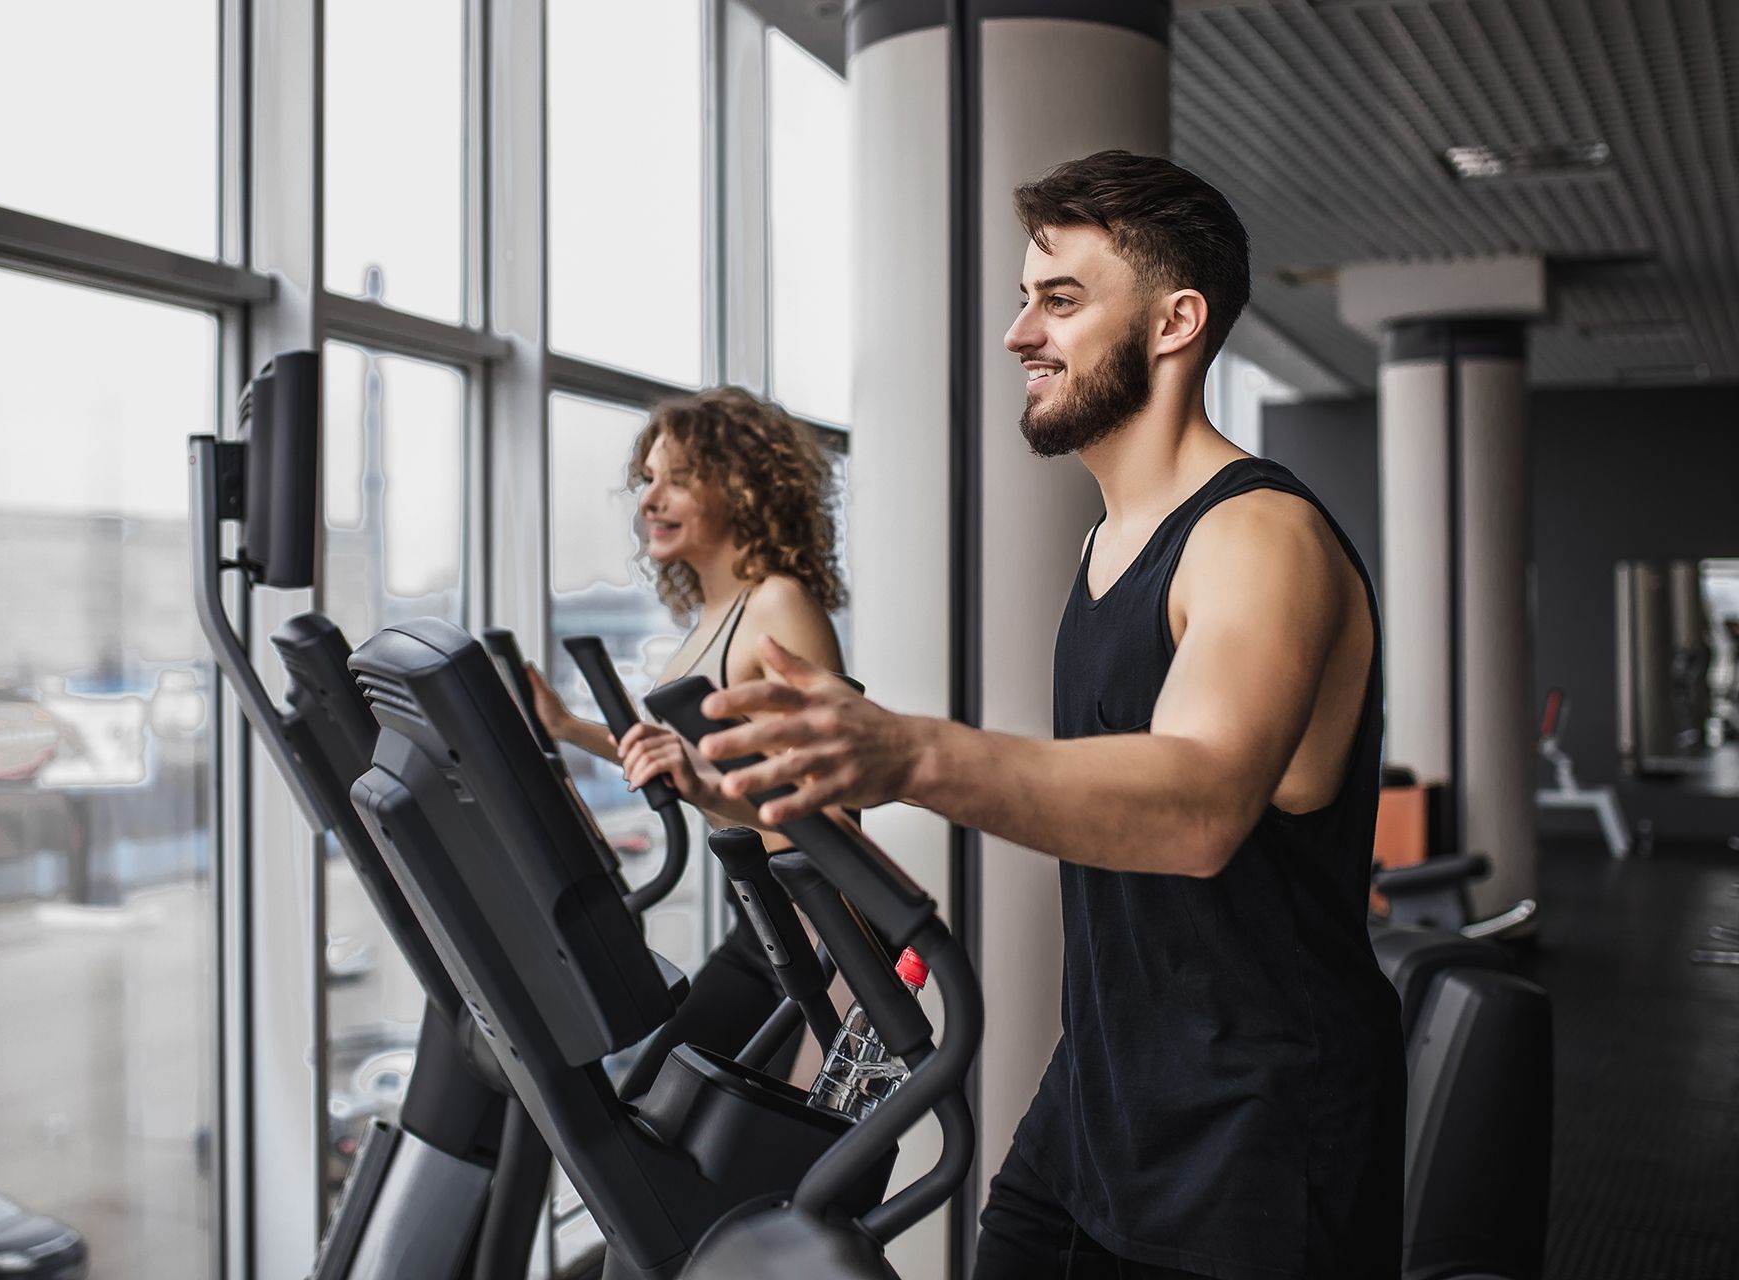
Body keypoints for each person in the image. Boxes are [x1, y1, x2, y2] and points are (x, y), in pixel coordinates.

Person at [686, 152, 1406, 1279]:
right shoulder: (1106, 542)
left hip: (1256, 1127)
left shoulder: (1259, 536)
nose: (1021, 331)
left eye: (1061, 299)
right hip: (1102, 1096)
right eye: (1025, 298)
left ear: (1174, 322)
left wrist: (915, 750)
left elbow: (1202, 802)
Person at [526, 384, 847, 1096]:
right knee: (647, 1112)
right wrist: (567, 729)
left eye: (677, 480)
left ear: (741, 484)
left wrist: (702, 783)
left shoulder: (777, 606)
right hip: (760, 927)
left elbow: (829, 811)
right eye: (647, 481)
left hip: (825, 941)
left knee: (731, 1153)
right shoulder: (716, 615)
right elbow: (683, 754)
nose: (649, 501)